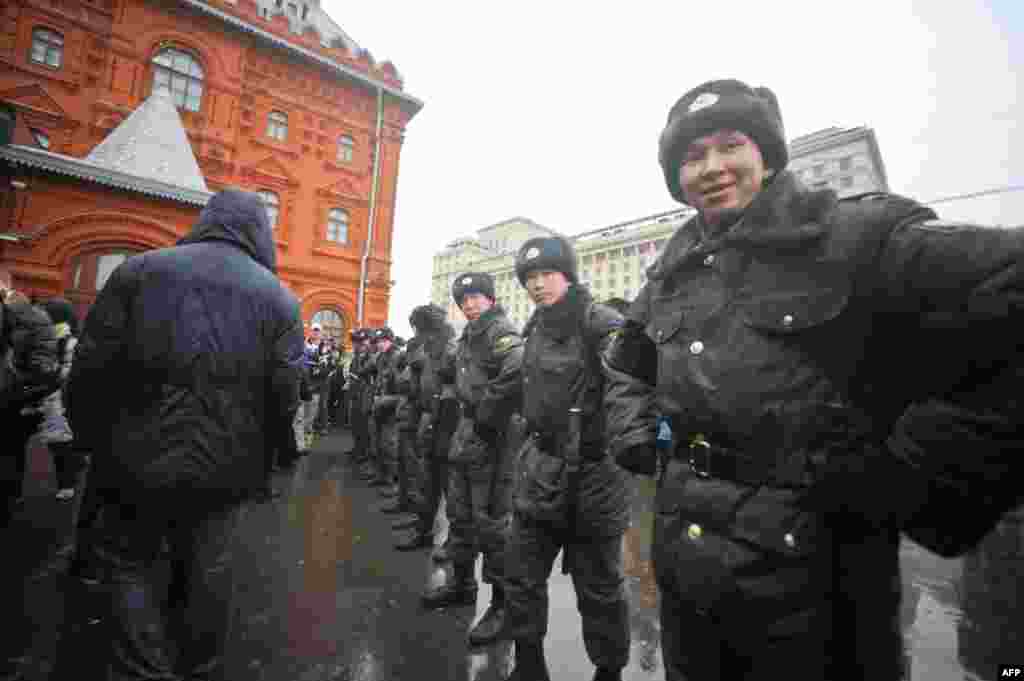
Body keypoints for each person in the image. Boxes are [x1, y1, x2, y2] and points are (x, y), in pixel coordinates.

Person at [604, 79, 1024, 680]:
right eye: (692, 157)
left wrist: (917, 470)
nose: (712, 167)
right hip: (689, 567)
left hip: (816, 582)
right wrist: (633, 432)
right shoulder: (671, 273)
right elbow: (624, 366)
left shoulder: (853, 238)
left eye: (730, 145)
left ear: (767, 155)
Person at [65, 188, 304, 681]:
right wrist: (277, 457)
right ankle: (200, 669)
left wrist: (93, 440)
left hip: (132, 460)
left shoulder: (140, 271)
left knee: (129, 566)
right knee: (208, 574)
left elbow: (90, 368)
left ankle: (141, 669)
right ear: (261, 231)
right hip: (226, 470)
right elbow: (285, 395)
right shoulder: (278, 298)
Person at [501, 237, 631, 681]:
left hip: (596, 473)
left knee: (600, 588)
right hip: (540, 468)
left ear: (568, 274)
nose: (537, 285)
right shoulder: (533, 327)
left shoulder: (601, 323)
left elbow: (631, 388)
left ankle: (608, 670)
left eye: (546, 275)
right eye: (529, 278)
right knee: (521, 575)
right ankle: (529, 664)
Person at [420, 273, 523, 649]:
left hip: (494, 438)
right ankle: (461, 584)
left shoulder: (501, 331)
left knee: (494, 526)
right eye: (463, 300)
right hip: (467, 434)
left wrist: (487, 413)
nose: (470, 304)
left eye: (477, 297)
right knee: (460, 516)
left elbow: (517, 370)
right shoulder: (467, 337)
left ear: (492, 299)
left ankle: (501, 606)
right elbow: (451, 375)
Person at [394, 304, 458, 552]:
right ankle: (422, 531)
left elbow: (457, 390)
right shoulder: (428, 351)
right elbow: (416, 385)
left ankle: (453, 542)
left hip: (450, 425)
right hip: (430, 421)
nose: (419, 336)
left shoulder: (452, 351)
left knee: (451, 489)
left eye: (422, 330)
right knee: (427, 482)